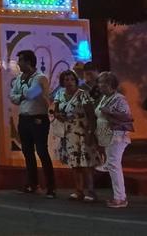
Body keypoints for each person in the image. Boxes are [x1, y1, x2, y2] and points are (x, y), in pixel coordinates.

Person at [9, 50, 55, 197]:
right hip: (24, 118)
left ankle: (51, 186)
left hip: (38, 118)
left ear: (28, 62)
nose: (18, 63)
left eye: (20, 60)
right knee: (27, 152)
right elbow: (12, 97)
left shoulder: (40, 78)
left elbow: (31, 94)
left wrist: (21, 96)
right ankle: (32, 183)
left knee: (42, 151)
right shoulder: (18, 78)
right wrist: (22, 96)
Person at [52, 70, 99, 202]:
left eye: (71, 79)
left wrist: (90, 132)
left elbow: (91, 115)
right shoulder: (60, 94)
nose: (69, 82)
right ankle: (78, 190)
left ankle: (91, 191)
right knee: (74, 163)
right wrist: (58, 115)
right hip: (68, 132)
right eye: (66, 79)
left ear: (76, 80)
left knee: (86, 162)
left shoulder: (83, 95)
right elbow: (56, 110)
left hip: (83, 131)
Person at [95, 71, 133, 208]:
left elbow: (127, 116)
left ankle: (120, 198)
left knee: (114, 165)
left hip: (116, 136)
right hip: (106, 136)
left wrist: (109, 112)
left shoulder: (119, 98)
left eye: (101, 83)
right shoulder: (105, 97)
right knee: (112, 165)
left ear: (109, 84)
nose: (99, 86)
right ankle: (119, 196)